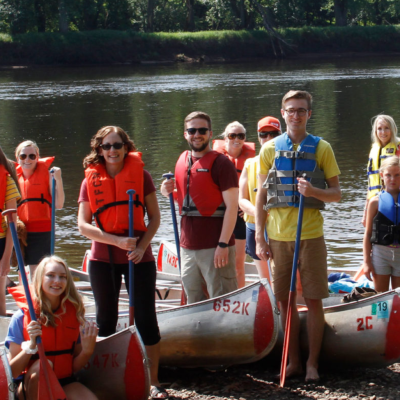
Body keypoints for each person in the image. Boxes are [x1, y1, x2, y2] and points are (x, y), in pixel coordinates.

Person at [255, 90, 341, 382]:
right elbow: (262, 196)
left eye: (301, 110)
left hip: (311, 235)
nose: (296, 115)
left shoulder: (322, 148)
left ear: (309, 115)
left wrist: (313, 191)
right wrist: (259, 237)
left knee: (314, 298)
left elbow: (337, 194)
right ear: (283, 114)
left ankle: (313, 364)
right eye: (291, 110)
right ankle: (293, 362)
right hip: (278, 238)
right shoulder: (268, 150)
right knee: (284, 301)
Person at [77, 126, 167, 399]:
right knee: (106, 319)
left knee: (146, 319)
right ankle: (106, 379)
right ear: (99, 150)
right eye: (106, 146)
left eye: (117, 145)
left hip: (138, 256)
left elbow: (155, 218)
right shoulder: (89, 181)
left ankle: (153, 381)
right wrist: (114, 241)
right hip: (103, 258)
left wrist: (141, 247)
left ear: (126, 148)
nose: (112, 151)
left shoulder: (143, 176)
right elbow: (82, 225)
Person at [160, 111, 239, 304]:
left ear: (210, 134)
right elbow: (185, 198)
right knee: (194, 300)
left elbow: (232, 208)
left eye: (202, 130)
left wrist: (222, 245)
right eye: (192, 130)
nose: (197, 134)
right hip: (187, 246)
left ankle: (226, 334)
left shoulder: (222, 164)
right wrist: (165, 191)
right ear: (185, 134)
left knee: (222, 300)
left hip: (215, 246)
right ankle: (201, 334)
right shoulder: (183, 159)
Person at [6, 255, 98, 400]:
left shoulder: (74, 315)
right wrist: (30, 346)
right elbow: (12, 372)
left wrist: (87, 351)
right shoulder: (20, 318)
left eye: (62, 277)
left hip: (64, 381)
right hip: (29, 385)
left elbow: (72, 368)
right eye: (50, 275)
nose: (57, 281)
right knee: (44, 365)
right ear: (40, 279)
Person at [213, 121, 256, 288]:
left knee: (238, 264)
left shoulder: (252, 161)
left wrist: (246, 206)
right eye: (232, 136)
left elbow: (257, 189)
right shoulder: (215, 159)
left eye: (241, 136)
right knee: (217, 262)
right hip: (220, 216)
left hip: (240, 218)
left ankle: (240, 299)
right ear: (225, 138)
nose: (236, 139)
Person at [239, 116, 281, 281]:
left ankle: (289, 305)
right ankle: (272, 305)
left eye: (273, 134)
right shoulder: (249, 164)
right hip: (254, 227)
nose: (269, 138)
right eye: (264, 134)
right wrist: (259, 214)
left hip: (282, 226)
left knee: (287, 276)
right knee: (266, 279)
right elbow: (242, 200)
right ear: (258, 137)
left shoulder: (289, 162)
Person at [15, 140, 65, 277]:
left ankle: (38, 297)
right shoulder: (13, 177)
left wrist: (59, 180)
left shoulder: (48, 175)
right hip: (20, 231)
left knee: (36, 273)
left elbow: (59, 204)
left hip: (42, 231)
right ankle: (25, 297)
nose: (27, 160)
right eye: (23, 156)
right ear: (17, 158)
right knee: (21, 272)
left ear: (37, 157)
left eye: (32, 156)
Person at [363, 156, 400, 292]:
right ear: (382, 175)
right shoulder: (375, 202)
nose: (392, 179)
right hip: (380, 254)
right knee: (380, 299)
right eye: (388, 175)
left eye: (397, 175)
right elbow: (367, 235)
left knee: (398, 299)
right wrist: (367, 262)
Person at [362, 115, 400, 227]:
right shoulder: (374, 149)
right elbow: (370, 184)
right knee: (373, 235)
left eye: (387, 128)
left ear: (393, 129)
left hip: (394, 200)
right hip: (375, 200)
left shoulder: (398, 148)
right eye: (379, 129)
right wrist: (366, 210)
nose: (383, 132)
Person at [0, 146, 21, 316]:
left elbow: (12, 224)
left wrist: (6, 258)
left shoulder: (7, 181)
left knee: (0, 293)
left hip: (0, 243)